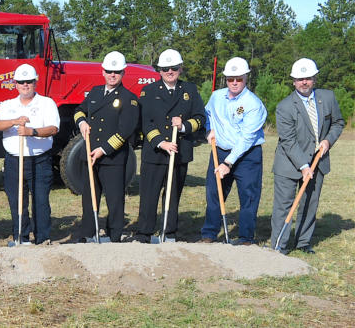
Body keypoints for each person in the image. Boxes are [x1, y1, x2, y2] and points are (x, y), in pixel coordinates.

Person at [270, 58, 344, 254]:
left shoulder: (327, 97)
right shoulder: (284, 106)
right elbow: (288, 141)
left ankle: (303, 242)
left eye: (308, 78)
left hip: (318, 160)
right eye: (300, 79)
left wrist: (328, 141)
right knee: (284, 205)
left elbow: (338, 123)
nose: (304, 82)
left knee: (310, 203)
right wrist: (304, 166)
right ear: (293, 81)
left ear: (314, 79)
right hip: (289, 163)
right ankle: (279, 245)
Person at [133, 49, 205, 243]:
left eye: (174, 68)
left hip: (179, 152)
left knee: (173, 196)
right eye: (165, 68)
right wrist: (161, 142)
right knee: (149, 195)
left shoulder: (190, 90)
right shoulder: (149, 91)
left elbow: (200, 118)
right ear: (160, 70)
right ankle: (144, 233)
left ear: (180, 68)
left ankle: (169, 232)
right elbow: (144, 122)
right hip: (155, 151)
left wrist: (183, 126)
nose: (170, 71)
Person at [72, 51, 139, 243]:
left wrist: (103, 150)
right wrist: (82, 123)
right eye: (109, 71)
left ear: (123, 73)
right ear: (103, 71)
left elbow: (125, 131)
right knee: (89, 197)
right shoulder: (94, 92)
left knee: (114, 199)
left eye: (117, 72)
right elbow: (79, 111)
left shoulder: (129, 98)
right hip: (89, 154)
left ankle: (114, 235)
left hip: (112, 157)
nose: (112, 75)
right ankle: (88, 233)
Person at [202, 57, 267, 245]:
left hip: (247, 155)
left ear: (246, 77)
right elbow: (207, 114)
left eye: (239, 78)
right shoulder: (216, 96)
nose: (235, 82)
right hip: (220, 151)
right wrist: (208, 130)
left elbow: (246, 139)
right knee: (214, 193)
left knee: (248, 196)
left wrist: (228, 163)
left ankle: (246, 238)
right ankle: (209, 234)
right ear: (226, 79)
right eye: (231, 79)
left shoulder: (253, 104)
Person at [0, 64, 59, 245]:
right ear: (15, 84)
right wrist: (14, 121)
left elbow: (53, 128)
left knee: (41, 202)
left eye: (29, 81)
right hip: (14, 160)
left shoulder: (47, 103)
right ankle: (21, 237)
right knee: (16, 201)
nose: (25, 85)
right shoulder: (8, 105)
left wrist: (32, 132)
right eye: (21, 82)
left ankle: (42, 238)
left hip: (40, 160)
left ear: (35, 82)